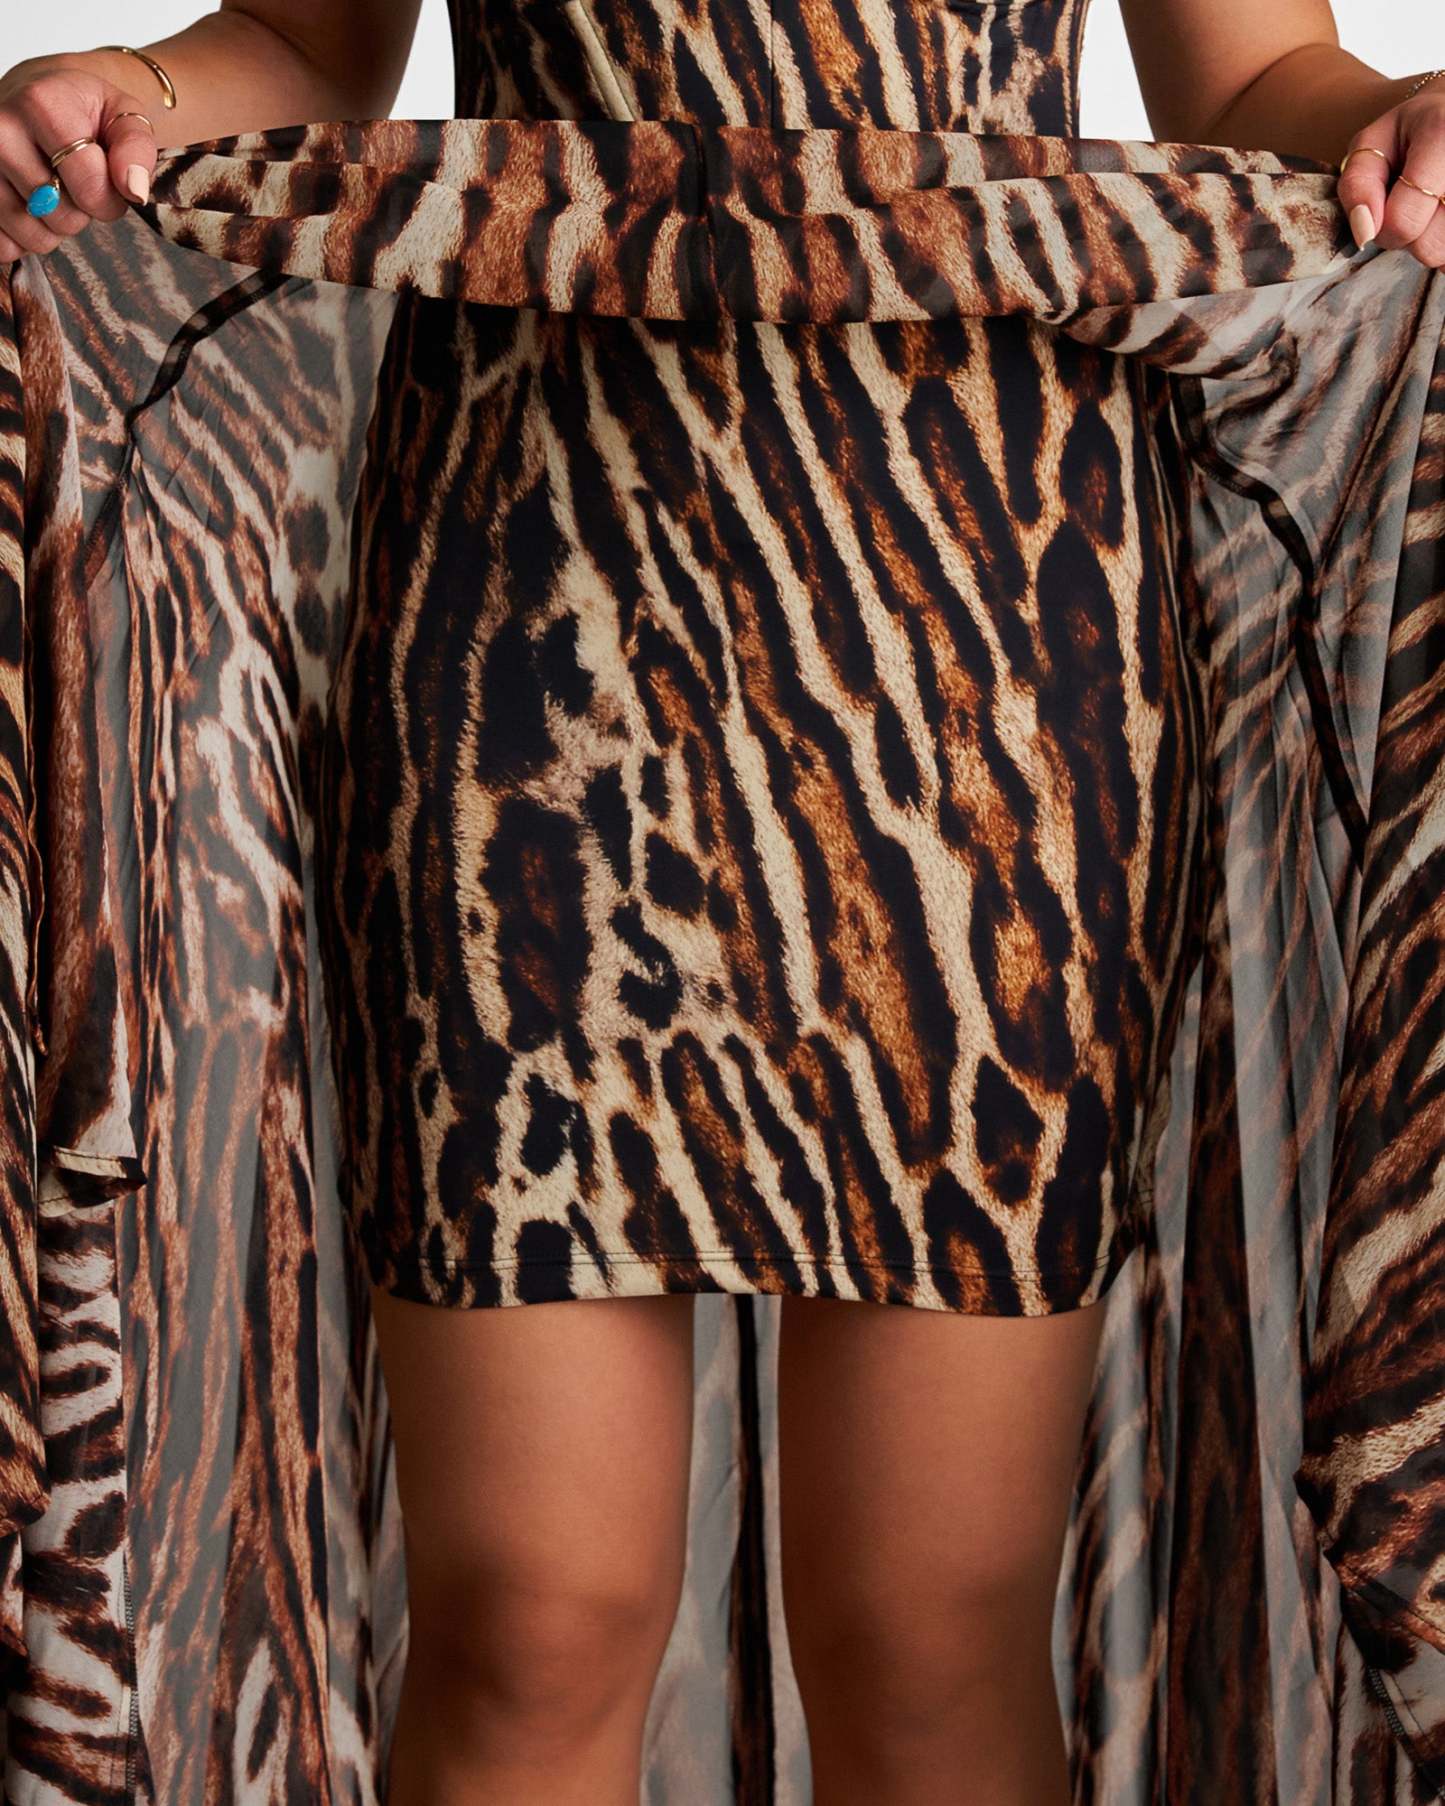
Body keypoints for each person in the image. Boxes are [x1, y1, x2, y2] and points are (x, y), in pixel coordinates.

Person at [0, 7, 1440, 1805]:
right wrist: (118, 96)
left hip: (991, 657)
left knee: (926, 1630)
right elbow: (310, 40)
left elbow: (1247, 78)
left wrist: (1398, 112)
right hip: (526, 640)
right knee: (533, 1618)